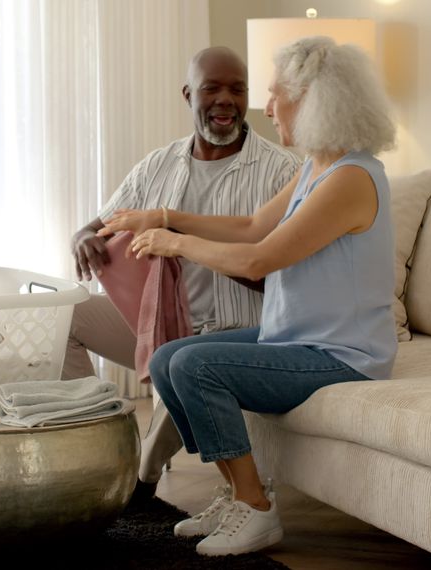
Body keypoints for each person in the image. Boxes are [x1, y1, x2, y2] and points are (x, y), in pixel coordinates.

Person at [98, 37, 398, 556]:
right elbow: (252, 223)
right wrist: (163, 216)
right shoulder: (316, 167)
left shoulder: (351, 178)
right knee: (171, 359)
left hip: (340, 355)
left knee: (196, 368)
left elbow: (260, 256)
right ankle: (238, 492)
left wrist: (176, 242)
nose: (267, 106)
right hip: (297, 337)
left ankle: (257, 509)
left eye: (276, 93)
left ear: (312, 100)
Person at [64, 46, 300, 500]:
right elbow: (101, 221)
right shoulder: (158, 164)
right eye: (212, 88)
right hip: (155, 322)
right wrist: (82, 237)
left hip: (236, 328)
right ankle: (97, 441)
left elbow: (280, 277)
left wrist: (187, 243)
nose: (226, 99)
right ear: (189, 94)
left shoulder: (281, 171)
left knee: (179, 359)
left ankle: (141, 473)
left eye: (238, 89)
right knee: (64, 317)